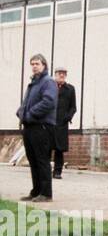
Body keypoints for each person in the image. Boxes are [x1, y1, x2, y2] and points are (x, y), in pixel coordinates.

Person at [16, 54, 57, 203]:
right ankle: (36, 191)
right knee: (33, 160)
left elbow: (48, 102)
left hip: (42, 127)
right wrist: (20, 112)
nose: (34, 66)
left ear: (44, 65)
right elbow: (26, 103)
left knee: (42, 160)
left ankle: (46, 193)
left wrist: (29, 114)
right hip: (30, 127)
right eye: (32, 63)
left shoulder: (48, 82)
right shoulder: (33, 83)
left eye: (37, 63)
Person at [51, 66, 77, 180]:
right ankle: (45, 171)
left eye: (64, 74)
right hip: (49, 122)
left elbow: (73, 107)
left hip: (62, 123)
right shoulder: (49, 87)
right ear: (55, 75)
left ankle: (57, 171)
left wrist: (67, 117)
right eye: (59, 73)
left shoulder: (70, 89)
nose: (61, 75)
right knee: (46, 148)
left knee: (59, 149)